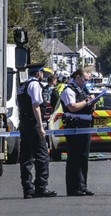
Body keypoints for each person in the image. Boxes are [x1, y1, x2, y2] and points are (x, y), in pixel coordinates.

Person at [17, 63, 57, 199]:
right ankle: (41, 187)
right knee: (42, 156)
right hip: (33, 123)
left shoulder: (23, 85)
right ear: (38, 73)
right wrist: (40, 126)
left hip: (24, 122)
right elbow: (36, 106)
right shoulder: (34, 85)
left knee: (26, 157)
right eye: (41, 73)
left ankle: (27, 189)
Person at [60, 68, 96, 196]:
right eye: (85, 79)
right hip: (74, 126)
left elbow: (87, 106)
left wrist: (92, 102)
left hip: (85, 126)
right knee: (74, 157)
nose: (86, 82)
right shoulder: (69, 90)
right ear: (78, 77)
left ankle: (82, 185)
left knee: (83, 157)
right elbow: (72, 107)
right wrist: (87, 101)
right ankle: (73, 187)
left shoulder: (83, 90)